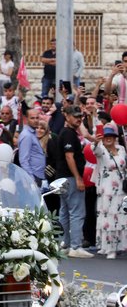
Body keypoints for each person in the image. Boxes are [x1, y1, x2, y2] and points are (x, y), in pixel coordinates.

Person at [56, 105, 94, 258]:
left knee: (64, 212)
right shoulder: (69, 134)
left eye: (80, 117)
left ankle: (66, 244)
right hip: (70, 178)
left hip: (62, 177)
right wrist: (78, 177)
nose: (78, 119)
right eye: (75, 116)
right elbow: (69, 157)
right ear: (67, 117)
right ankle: (76, 246)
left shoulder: (66, 133)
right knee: (77, 212)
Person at [91, 124, 127, 259]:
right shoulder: (101, 149)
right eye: (106, 136)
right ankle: (107, 247)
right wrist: (96, 140)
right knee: (107, 217)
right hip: (106, 189)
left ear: (115, 137)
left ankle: (118, 246)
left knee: (120, 217)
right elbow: (95, 150)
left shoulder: (122, 149)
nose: (108, 139)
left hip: (121, 188)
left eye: (111, 136)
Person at [17, 109, 46, 186]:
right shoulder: (27, 135)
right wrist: (31, 178)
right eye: (32, 118)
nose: (35, 120)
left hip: (37, 175)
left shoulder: (32, 133)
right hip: (33, 176)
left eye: (37, 118)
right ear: (26, 119)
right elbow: (23, 160)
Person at [36, 119, 59, 213]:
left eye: (42, 128)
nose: (39, 130)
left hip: (48, 180)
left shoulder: (50, 142)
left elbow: (55, 160)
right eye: (37, 127)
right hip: (36, 179)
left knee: (50, 207)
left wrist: (47, 173)